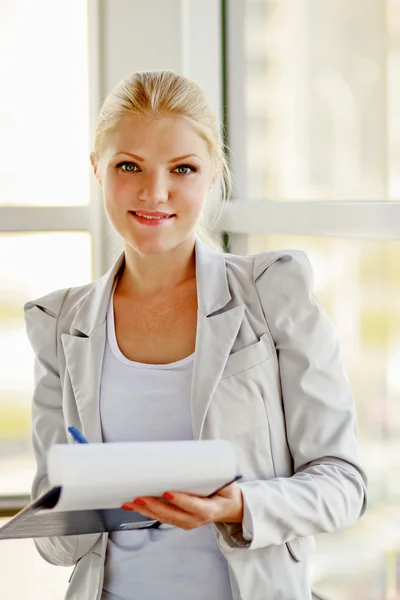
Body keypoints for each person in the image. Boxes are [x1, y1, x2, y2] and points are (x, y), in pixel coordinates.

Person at [25, 70, 367, 600]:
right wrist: (75, 500)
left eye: (182, 168)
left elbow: (344, 484)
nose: (155, 192)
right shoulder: (60, 323)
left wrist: (239, 507)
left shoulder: (272, 293)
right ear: (97, 171)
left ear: (212, 175)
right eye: (128, 166)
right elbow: (56, 545)